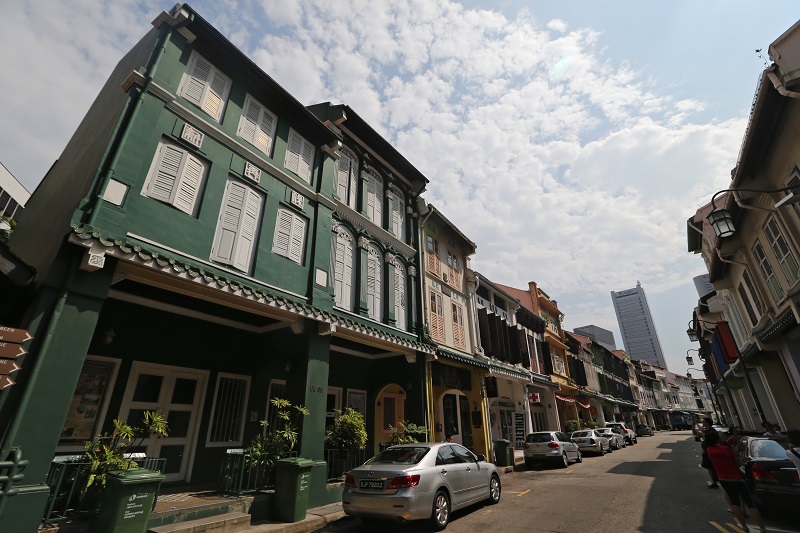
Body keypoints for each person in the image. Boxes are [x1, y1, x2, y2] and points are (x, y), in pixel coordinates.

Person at [705, 430, 766, 532]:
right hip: (736, 477)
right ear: (717, 438)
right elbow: (737, 463)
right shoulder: (725, 449)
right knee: (750, 503)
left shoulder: (709, 450)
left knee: (734, 502)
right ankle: (762, 528)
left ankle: (744, 527)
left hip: (723, 478)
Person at [700, 417, 720, 488]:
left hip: (710, 451)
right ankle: (715, 481)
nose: (702, 422)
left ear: (707, 423)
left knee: (711, 467)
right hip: (709, 451)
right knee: (710, 467)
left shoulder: (711, 431)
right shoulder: (708, 430)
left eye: (704, 421)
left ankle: (715, 482)